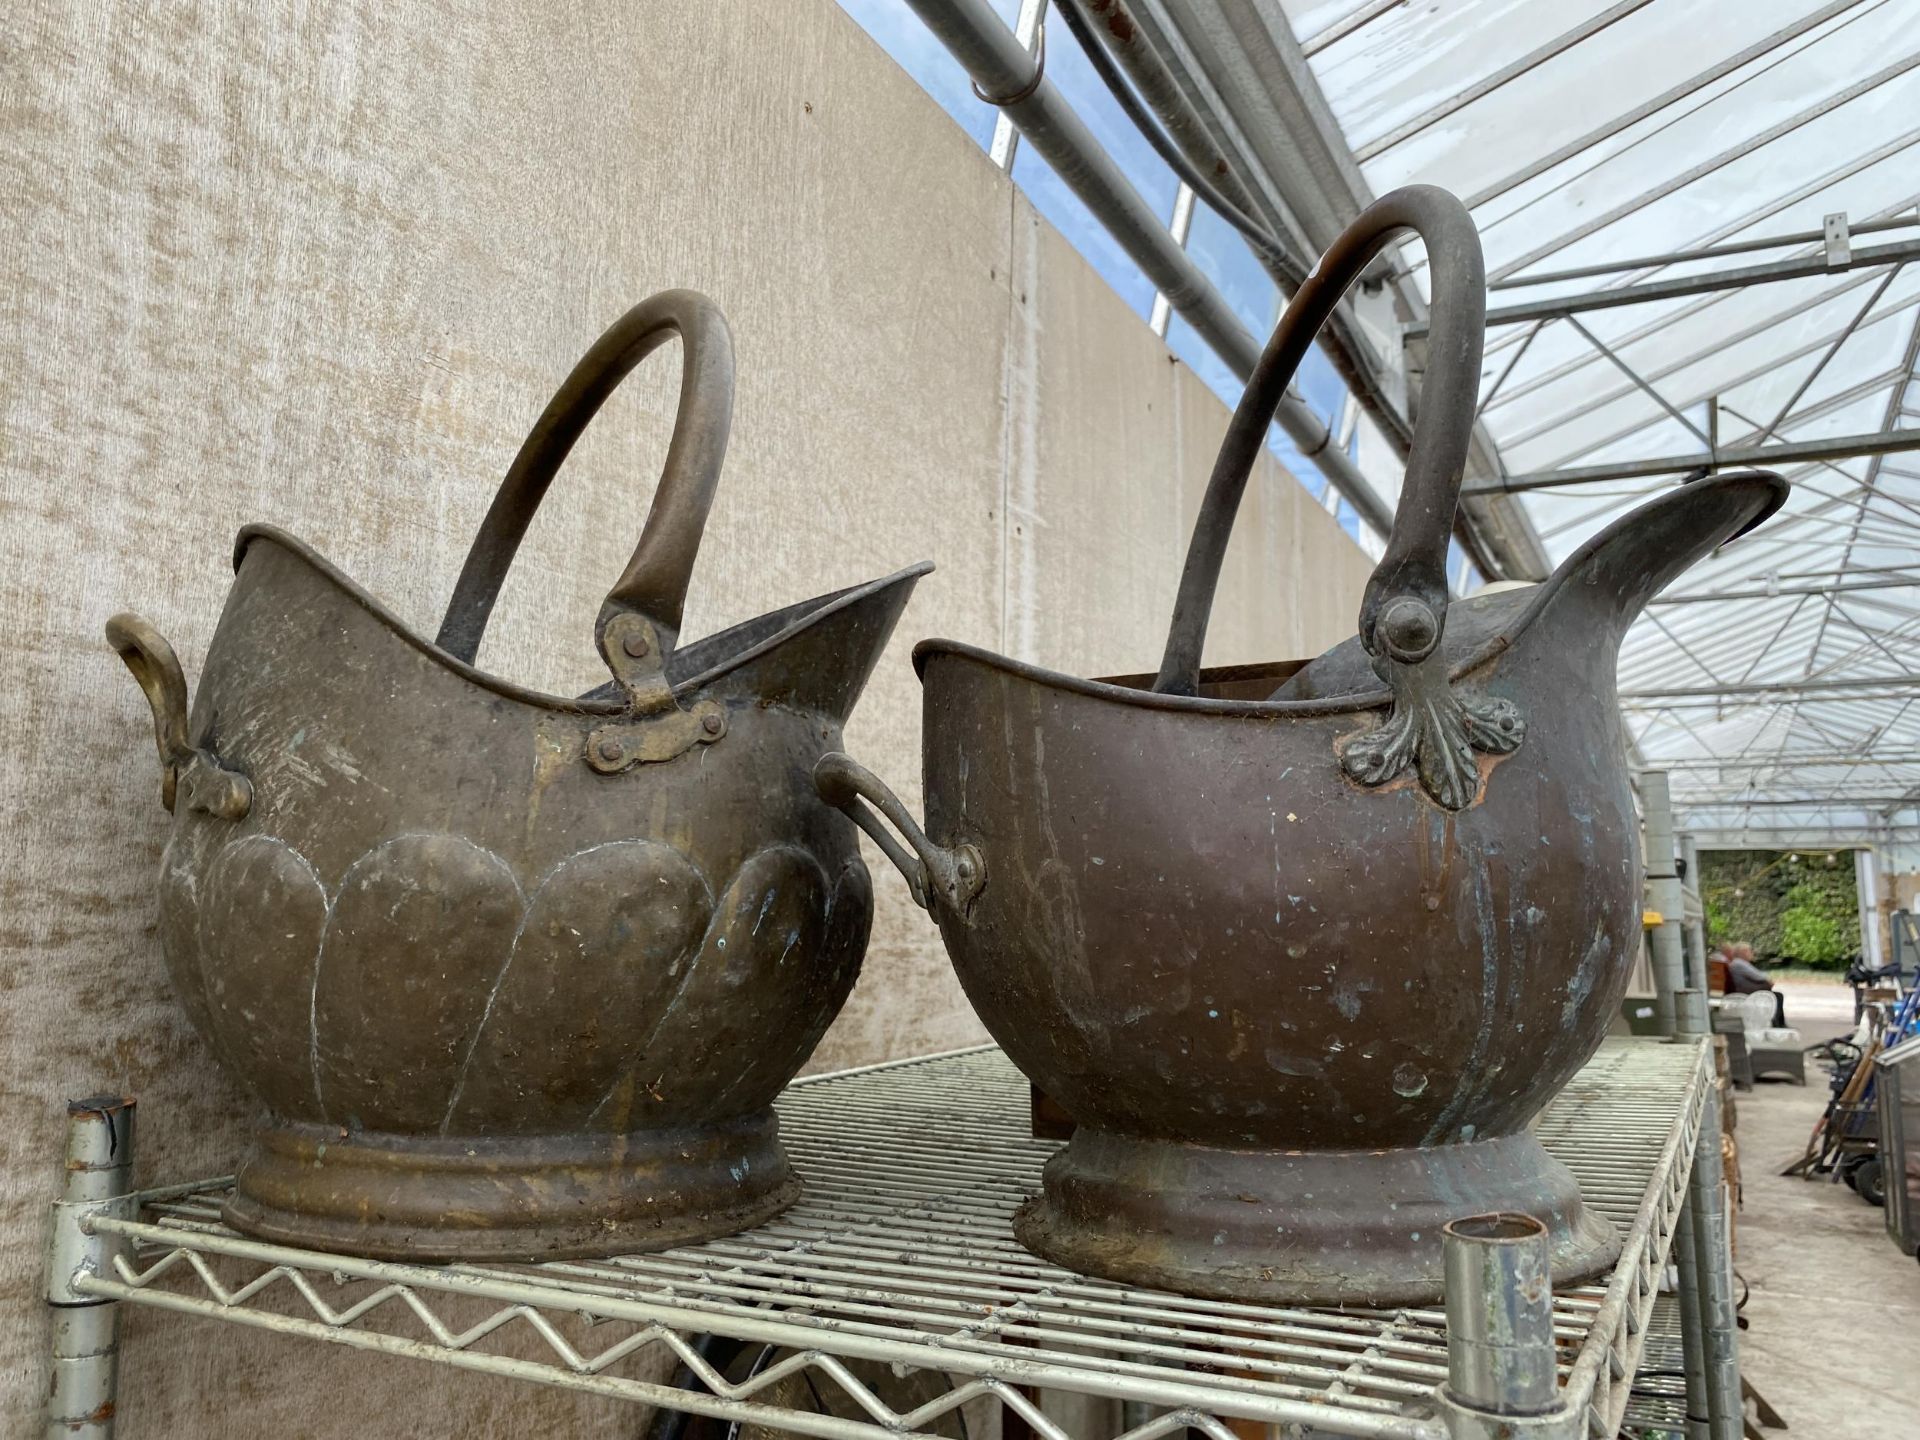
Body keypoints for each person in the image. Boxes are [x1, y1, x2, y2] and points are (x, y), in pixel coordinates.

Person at [1725, 943, 1786, 1027]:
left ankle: (1778, 1023)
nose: (1752, 953)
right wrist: (1768, 980)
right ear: (1743, 952)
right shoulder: (1739, 963)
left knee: (1777, 995)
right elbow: (1759, 976)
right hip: (1745, 991)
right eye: (1750, 951)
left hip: (1744, 989)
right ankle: (1777, 1023)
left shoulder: (1739, 963)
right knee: (1778, 996)